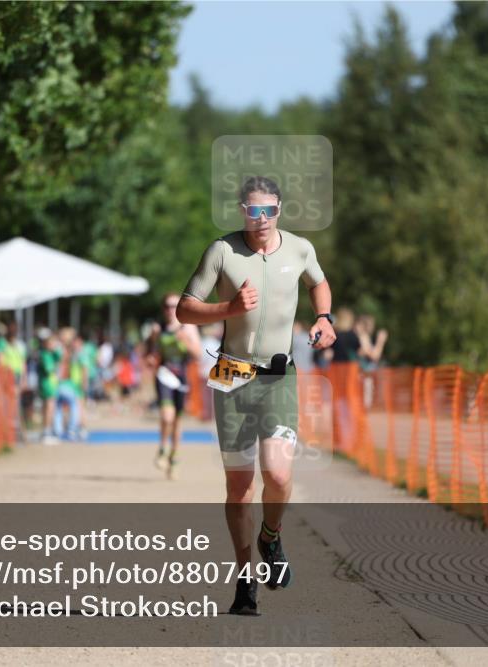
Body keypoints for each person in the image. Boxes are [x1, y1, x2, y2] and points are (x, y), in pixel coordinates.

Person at [176, 175, 336, 615]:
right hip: (233, 377)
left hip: (278, 377)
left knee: (279, 475)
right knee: (240, 488)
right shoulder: (222, 251)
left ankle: (271, 535)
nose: (261, 218)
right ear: (242, 211)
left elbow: (318, 282)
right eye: (253, 210)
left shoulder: (299, 249)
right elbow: (185, 309)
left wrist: (324, 317)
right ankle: (246, 581)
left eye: (268, 210)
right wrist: (228, 308)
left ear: (279, 210)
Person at [147, 293, 202, 479]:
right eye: (167, 306)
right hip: (164, 375)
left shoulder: (189, 327)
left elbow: (197, 354)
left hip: (182, 377)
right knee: (167, 416)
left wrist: (184, 340)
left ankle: (174, 456)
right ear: (163, 309)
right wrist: (151, 358)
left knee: (177, 420)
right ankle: (163, 447)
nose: (171, 310)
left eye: (174, 306)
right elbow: (151, 352)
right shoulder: (158, 328)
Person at [0, 321, 29, 435]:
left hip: (17, 376)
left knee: (15, 403)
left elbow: (23, 363)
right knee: (6, 402)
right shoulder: (2, 343)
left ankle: (15, 428)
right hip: (6, 376)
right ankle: (7, 428)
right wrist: (0, 376)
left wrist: (24, 379)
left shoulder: (20, 345)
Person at [38, 333, 63, 445]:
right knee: (49, 408)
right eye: (51, 343)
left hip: (51, 384)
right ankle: (47, 432)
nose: (53, 345)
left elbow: (60, 357)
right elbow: (49, 369)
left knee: (48, 408)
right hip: (47, 385)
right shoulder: (45, 355)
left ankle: (47, 430)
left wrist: (56, 349)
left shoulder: (51, 354)